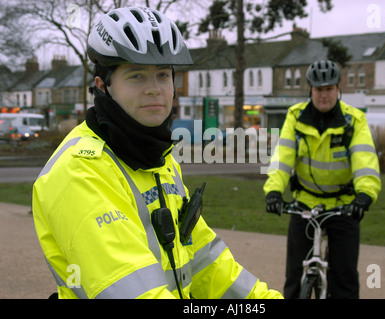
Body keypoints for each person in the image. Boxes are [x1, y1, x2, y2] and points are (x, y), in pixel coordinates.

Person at [32, 6, 282, 300]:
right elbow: (133, 290)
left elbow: (204, 259)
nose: (154, 89)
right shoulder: (79, 171)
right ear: (103, 86)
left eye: (163, 75)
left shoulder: (159, 159)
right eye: (136, 76)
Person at [264, 60, 381, 299]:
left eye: (329, 89)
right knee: (295, 275)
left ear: (339, 90)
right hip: (305, 204)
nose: (324, 95)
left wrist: (365, 195)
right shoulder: (295, 116)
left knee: (344, 277)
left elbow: (364, 161)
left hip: (343, 205)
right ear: (311, 91)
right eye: (319, 89)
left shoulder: (354, 121)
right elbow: (282, 158)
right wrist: (274, 191)